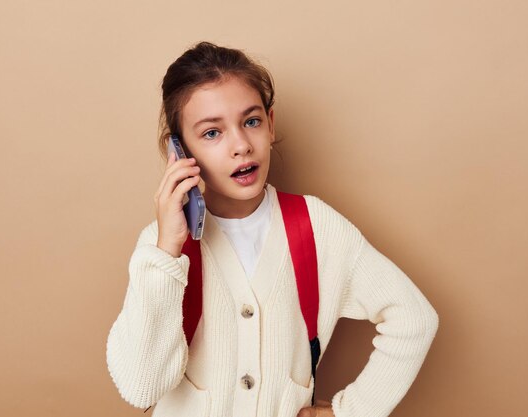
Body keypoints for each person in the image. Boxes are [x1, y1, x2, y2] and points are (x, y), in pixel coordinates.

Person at [106, 41, 439, 417]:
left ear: (271, 124)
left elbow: (415, 319)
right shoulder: (161, 248)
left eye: (251, 121)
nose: (241, 146)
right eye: (212, 133)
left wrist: (351, 412)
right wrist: (168, 249)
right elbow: (140, 385)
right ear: (181, 153)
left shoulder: (315, 225)